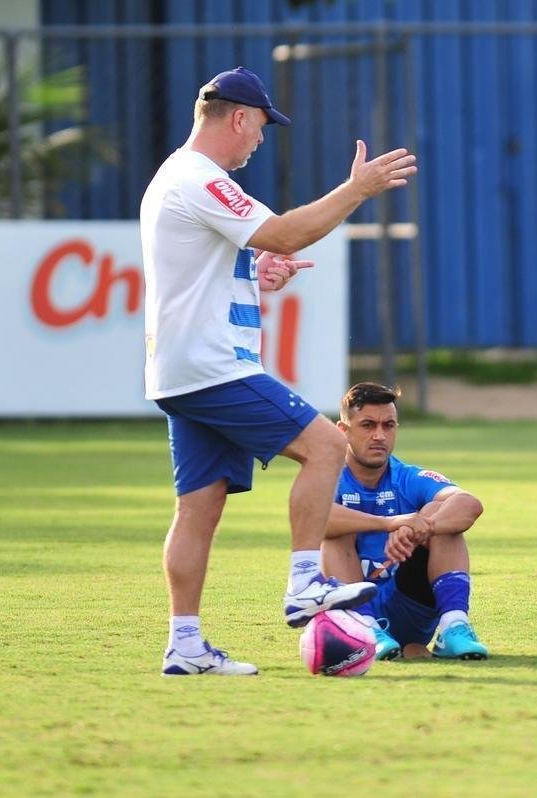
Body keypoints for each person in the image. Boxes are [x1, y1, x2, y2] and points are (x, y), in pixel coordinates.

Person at [140, 67, 417, 676]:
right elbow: (288, 231)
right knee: (327, 446)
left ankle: (184, 644)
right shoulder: (199, 177)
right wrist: (358, 189)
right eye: (261, 126)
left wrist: (256, 274)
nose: (260, 140)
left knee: (199, 506)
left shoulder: (176, 178)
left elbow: (210, 269)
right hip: (213, 366)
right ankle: (303, 584)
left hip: (182, 368)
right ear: (239, 117)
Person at [320, 382, 488, 661]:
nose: (379, 435)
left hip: (407, 605)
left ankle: (454, 626)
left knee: (443, 516)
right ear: (343, 431)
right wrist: (391, 524)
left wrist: (420, 526)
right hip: (351, 610)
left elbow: (469, 504)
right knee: (336, 530)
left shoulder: (407, 477)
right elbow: (317, 519)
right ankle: (366, 628)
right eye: (368, 425)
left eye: (388, 425)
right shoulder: (327, 477)